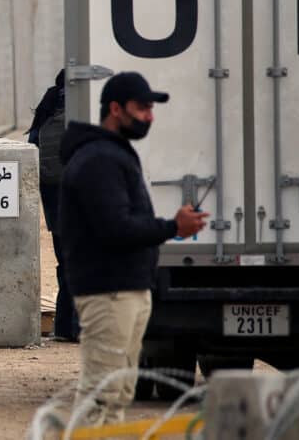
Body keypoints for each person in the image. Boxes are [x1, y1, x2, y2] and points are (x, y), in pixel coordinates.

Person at [57, 71, 208, 424]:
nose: (149, 117)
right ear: (115, 109)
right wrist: (173, 227)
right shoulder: (98, 159)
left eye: (151, 109)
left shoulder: (112, 154)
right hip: (108, 293)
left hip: (126, 290)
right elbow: (116, 228)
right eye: (142, 108)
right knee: (101, 396)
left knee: (118, 393)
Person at [27, 69, 79, 342]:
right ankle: (78, 328)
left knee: (64, 260)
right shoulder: (84, 108)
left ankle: (64, 326)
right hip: (81, 198)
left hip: (54, 198)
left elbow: (32, 148)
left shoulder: (48, 105)